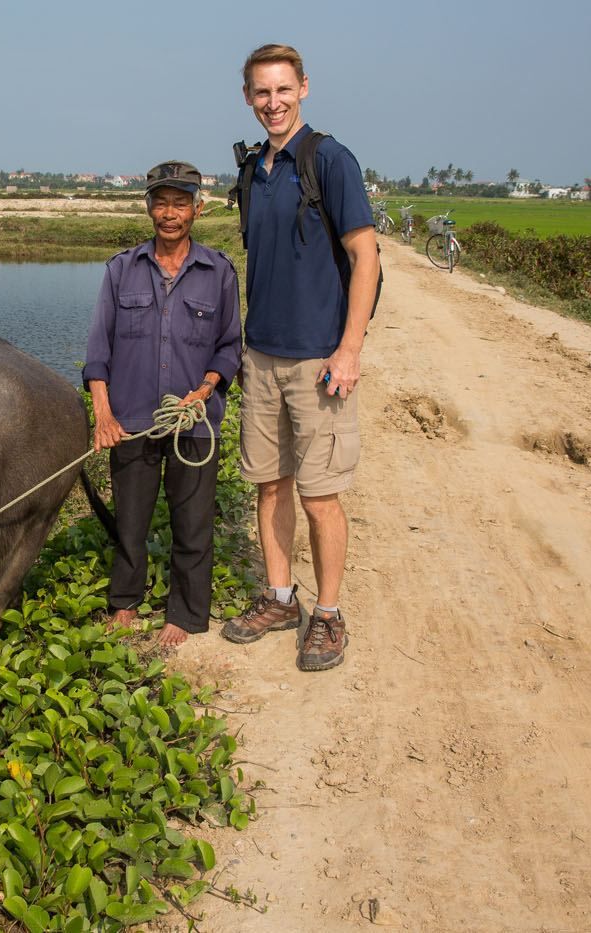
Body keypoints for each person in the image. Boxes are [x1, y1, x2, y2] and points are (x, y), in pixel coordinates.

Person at [219, 44, 379, 672]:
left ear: (304, 88)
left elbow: (365, 257)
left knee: (320, 496)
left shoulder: (330, 161)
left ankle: (329, 614)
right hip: (261, 357)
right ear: (248, 98)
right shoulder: (252, 170)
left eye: (283, 90)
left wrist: (349, 348)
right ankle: (282, 597)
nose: (273, 102)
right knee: (269, 484)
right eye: (262, 92)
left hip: (318, 361)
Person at [83, 161, 242, 647]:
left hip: (193, 423)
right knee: (130, 520)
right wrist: (103, 415)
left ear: (198, 208)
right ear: (149, 207)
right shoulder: (120, 269)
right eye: (161, 202)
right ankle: (125, 602)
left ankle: (186, 613)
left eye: (180, 203)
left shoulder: (218, 273)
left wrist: (207, 386)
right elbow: (98, 352)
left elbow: (230, 345)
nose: (170, 213)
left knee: (192, 525)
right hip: (132, 422)